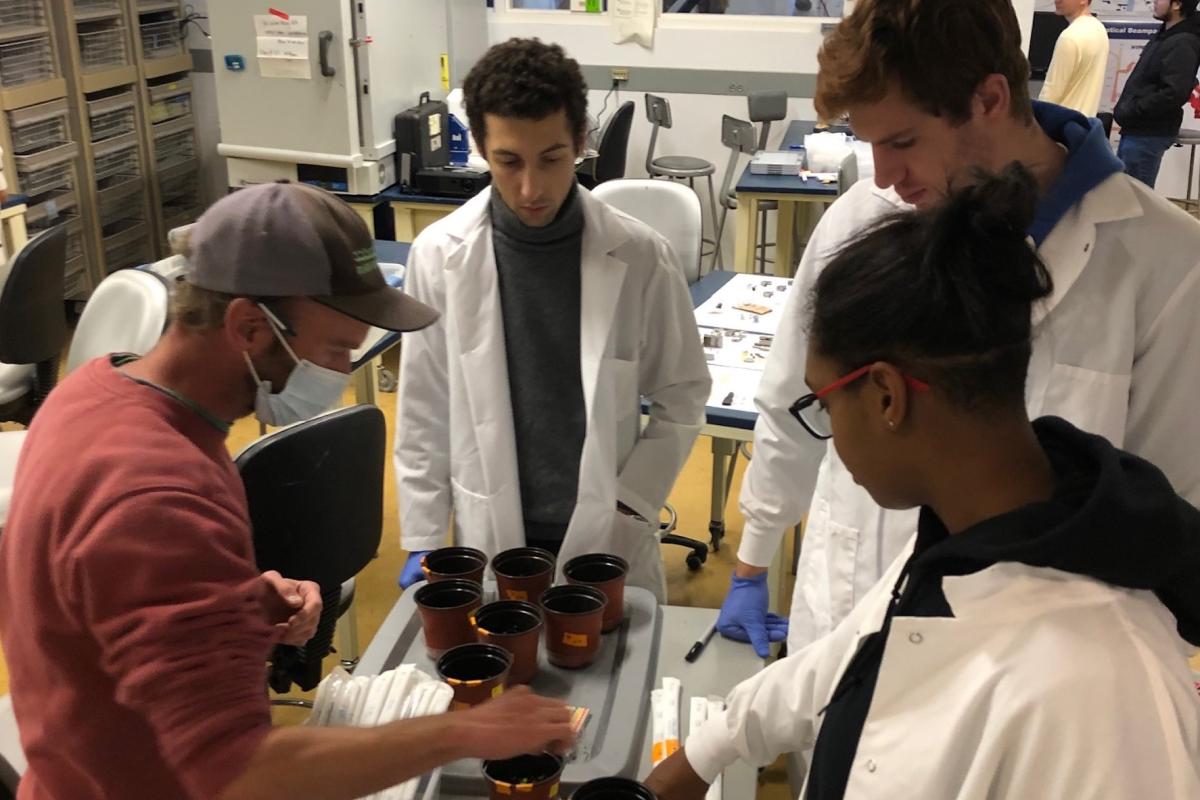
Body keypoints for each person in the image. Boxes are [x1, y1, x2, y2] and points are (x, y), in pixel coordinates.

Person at [0, 183, 576, 800]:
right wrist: (465, 731)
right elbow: (243, 772)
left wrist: (231, 602)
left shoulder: (97, 390)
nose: (340, 372)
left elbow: (101, 587)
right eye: (334, 350)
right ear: (249, 325)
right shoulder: (157, 495)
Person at [645, 166, 1200, 800]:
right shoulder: (983, 528)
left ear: (886, 396)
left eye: (824, 405)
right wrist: (706, 750)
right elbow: (858, 648)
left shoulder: (1098, 700)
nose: (829, 433)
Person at [720, 0, 1200, 658]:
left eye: (902, 142)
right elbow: (790, 400)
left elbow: (1167, 525)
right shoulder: (863, 216)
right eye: (871, 145)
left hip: (1020, 688)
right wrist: (751, 560)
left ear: (990, 99)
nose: (884, 177)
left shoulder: (1169, 269)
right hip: (841, 633)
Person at [394, 39, 710, 600]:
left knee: (611, 675)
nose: (531, 188)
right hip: (493, 527)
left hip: (606, 531)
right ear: (482, 148)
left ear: (581, 142)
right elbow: (423, 406)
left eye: (552, 159)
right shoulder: (439, 255)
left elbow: (682, 393)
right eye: (508, 162)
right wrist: (422, 533)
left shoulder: (640, 255)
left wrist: (631, 501)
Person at [1114, 0, 1200, 187]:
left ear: (1177, 5)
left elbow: (1174, 92)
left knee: (1136, 202)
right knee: (1124, 198)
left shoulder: (1183, 41)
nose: (1154, 1)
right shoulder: (1165, 36)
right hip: (1136, 130)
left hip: (1147, 133)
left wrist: (1135, 109)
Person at [1039, 0, 1109, 116]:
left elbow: (1051, 93)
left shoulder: (1069, 37)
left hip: (1060, 126)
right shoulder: (1099, 29)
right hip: (1085, 124)